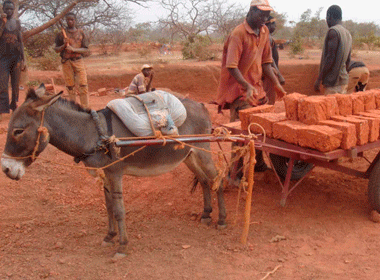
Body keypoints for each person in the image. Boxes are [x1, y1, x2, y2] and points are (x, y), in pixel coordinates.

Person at [215, 0, 286, 177]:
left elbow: (267, 63)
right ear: (251, 11)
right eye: (261, 14)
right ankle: (236, 174)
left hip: (257, 89)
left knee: (260, 129)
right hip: (239, 92)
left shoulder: (264, 31)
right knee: (241, 134)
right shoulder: (238, 34)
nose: (265, 18)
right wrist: (246, 85)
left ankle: (258, 163)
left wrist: (276, 84)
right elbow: (232, 66)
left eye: (267, 15)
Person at [54, 12, 90, 108]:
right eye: (68, 20)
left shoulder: (81, 32)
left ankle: (85, 108)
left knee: (83, 85)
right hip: (66, 62)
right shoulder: (61, 34)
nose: (70, 21)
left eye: (72, 19)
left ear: (75, 20)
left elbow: (86, 48)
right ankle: (73, 109)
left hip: (78, 61)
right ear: (66, 21)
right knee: (70, 87)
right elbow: (56, 49)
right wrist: (63, 45)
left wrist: (74, 49)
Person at [314, 5, 352, 95]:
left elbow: (330, 57)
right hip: (343, 81)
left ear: (329, 16)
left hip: (334, 83)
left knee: (331, 108)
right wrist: (343, 75)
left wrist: (319, 79)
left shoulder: (333, 31)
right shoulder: (347, 33)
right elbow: (348, 59)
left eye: (326, 17)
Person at [0, 0, 26, 121]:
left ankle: (14, 106)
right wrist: (2, 23)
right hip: (3, 58)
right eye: (6, 9)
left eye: (11, 9)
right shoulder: (0, 22)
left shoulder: (17, 23)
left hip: (16, 58)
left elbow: (20, 42)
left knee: (15, 85)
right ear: (3, 10)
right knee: (3, 85)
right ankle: (3, 109)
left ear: (14, 9)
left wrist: (24, 59)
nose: (9, 11)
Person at [263, 15, 285, 104]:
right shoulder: (267, 37)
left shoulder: (267, 37)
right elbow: (269, 58)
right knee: (269, 98)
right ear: (268, 25)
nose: (275, 26)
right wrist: (279, 75)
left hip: (270, 71)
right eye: (274, 24)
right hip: (269, 72)